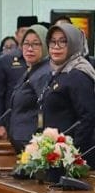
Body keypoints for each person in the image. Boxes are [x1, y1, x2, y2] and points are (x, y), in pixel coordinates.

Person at [39, 23, 95, 152]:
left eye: (63, 42)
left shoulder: (78, 74)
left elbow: (87, 118)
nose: (56, 46)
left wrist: (72, 152)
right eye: (52, 42)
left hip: (72, 154)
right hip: (57, 150)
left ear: (74, 44)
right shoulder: (60, 72)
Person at [6, 24, 51, 151]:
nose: (30, 49)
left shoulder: (44, 72)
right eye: (26, 44)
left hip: (33, 144)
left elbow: (45, 110)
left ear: (46, 46)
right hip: (22, 142)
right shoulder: (32, 70)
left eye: (36, 44)